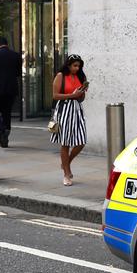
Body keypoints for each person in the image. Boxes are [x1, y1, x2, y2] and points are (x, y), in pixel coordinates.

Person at [51, 55, 88, 186]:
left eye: (79, 66)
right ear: (68, 65)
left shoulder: (81, 76)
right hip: (64, 110)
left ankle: (66, 163)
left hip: (77, 110)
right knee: (65, 143)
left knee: (81, 141)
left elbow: (81, 98)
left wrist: (82, 93)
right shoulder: (60, 76)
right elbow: (55, 95)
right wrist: (73, 95)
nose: (77, 68)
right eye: (75, 66)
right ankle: (66, 173)